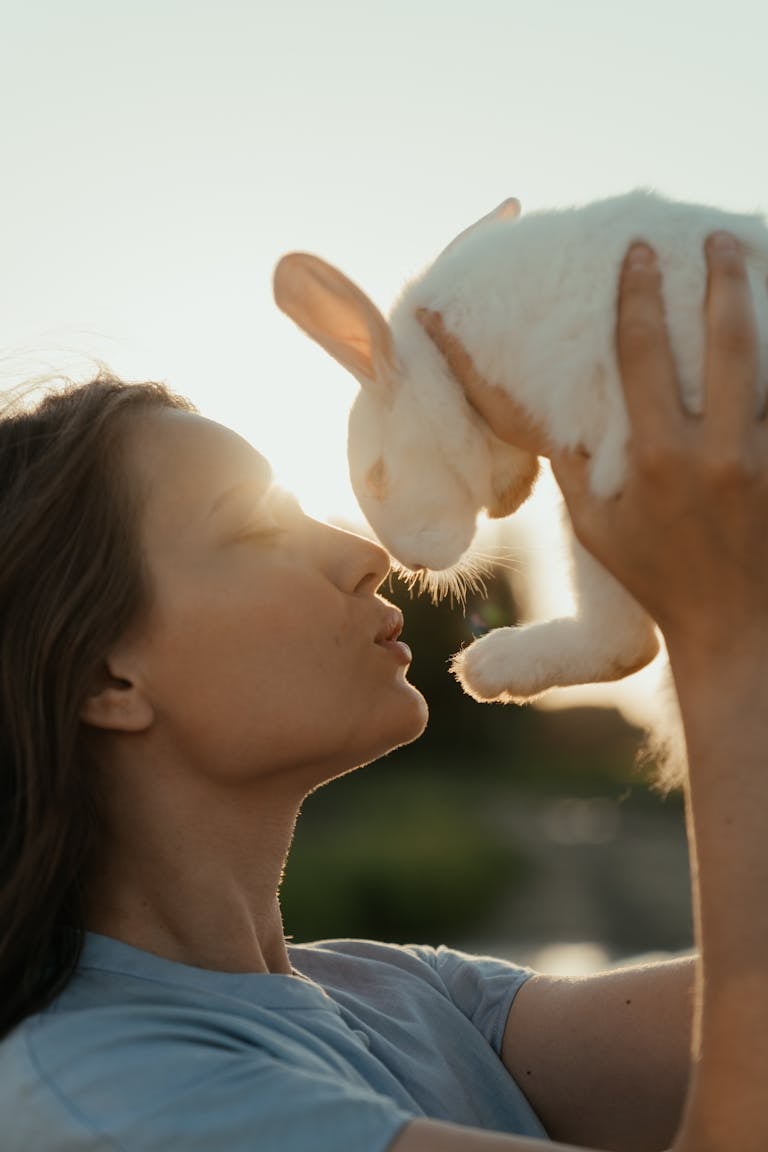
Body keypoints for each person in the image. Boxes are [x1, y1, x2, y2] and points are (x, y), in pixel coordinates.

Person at [0, 229, 764, 1152]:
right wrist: (723, 636)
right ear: (103, 675)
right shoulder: (110, 1094)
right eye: (251, 531)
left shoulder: (397, 991)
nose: (365, 556)